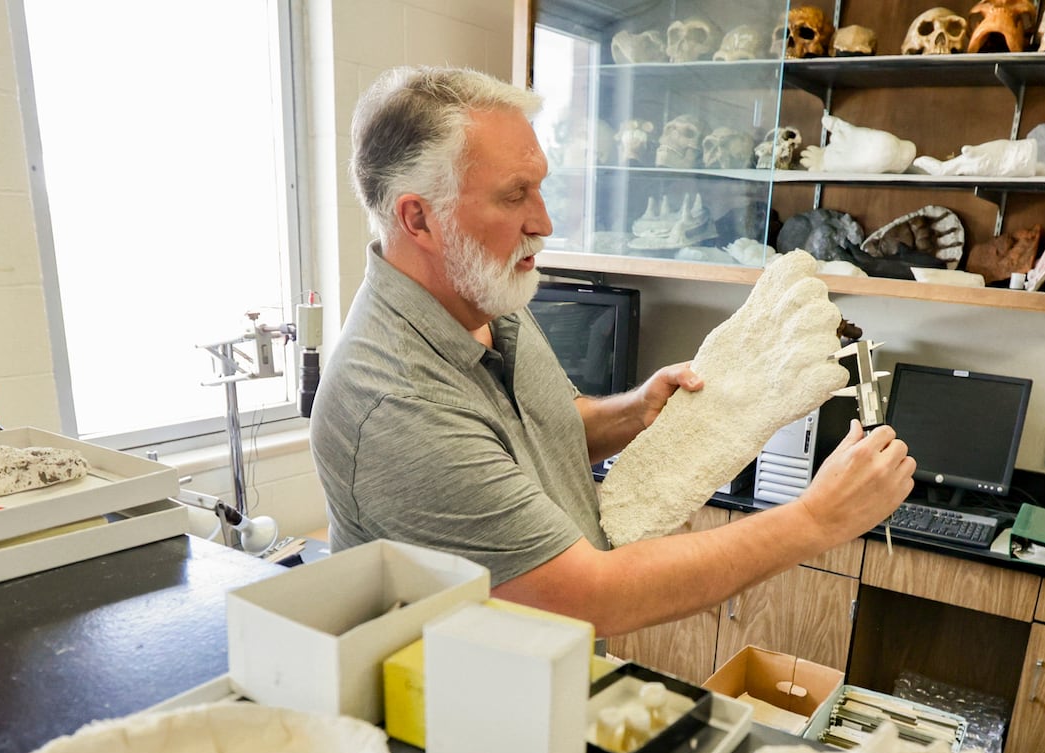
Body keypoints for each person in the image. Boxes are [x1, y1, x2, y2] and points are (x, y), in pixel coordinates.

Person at [310, 66, 914, 638]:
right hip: (455, 722)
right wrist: (815, 521)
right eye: (514, 195)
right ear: (419, 219)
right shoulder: (395, 403)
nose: (543, 222)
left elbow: (528, 431)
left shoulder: (485, 294)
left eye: (541, 187)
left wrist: (635, 412)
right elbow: (586, 595)